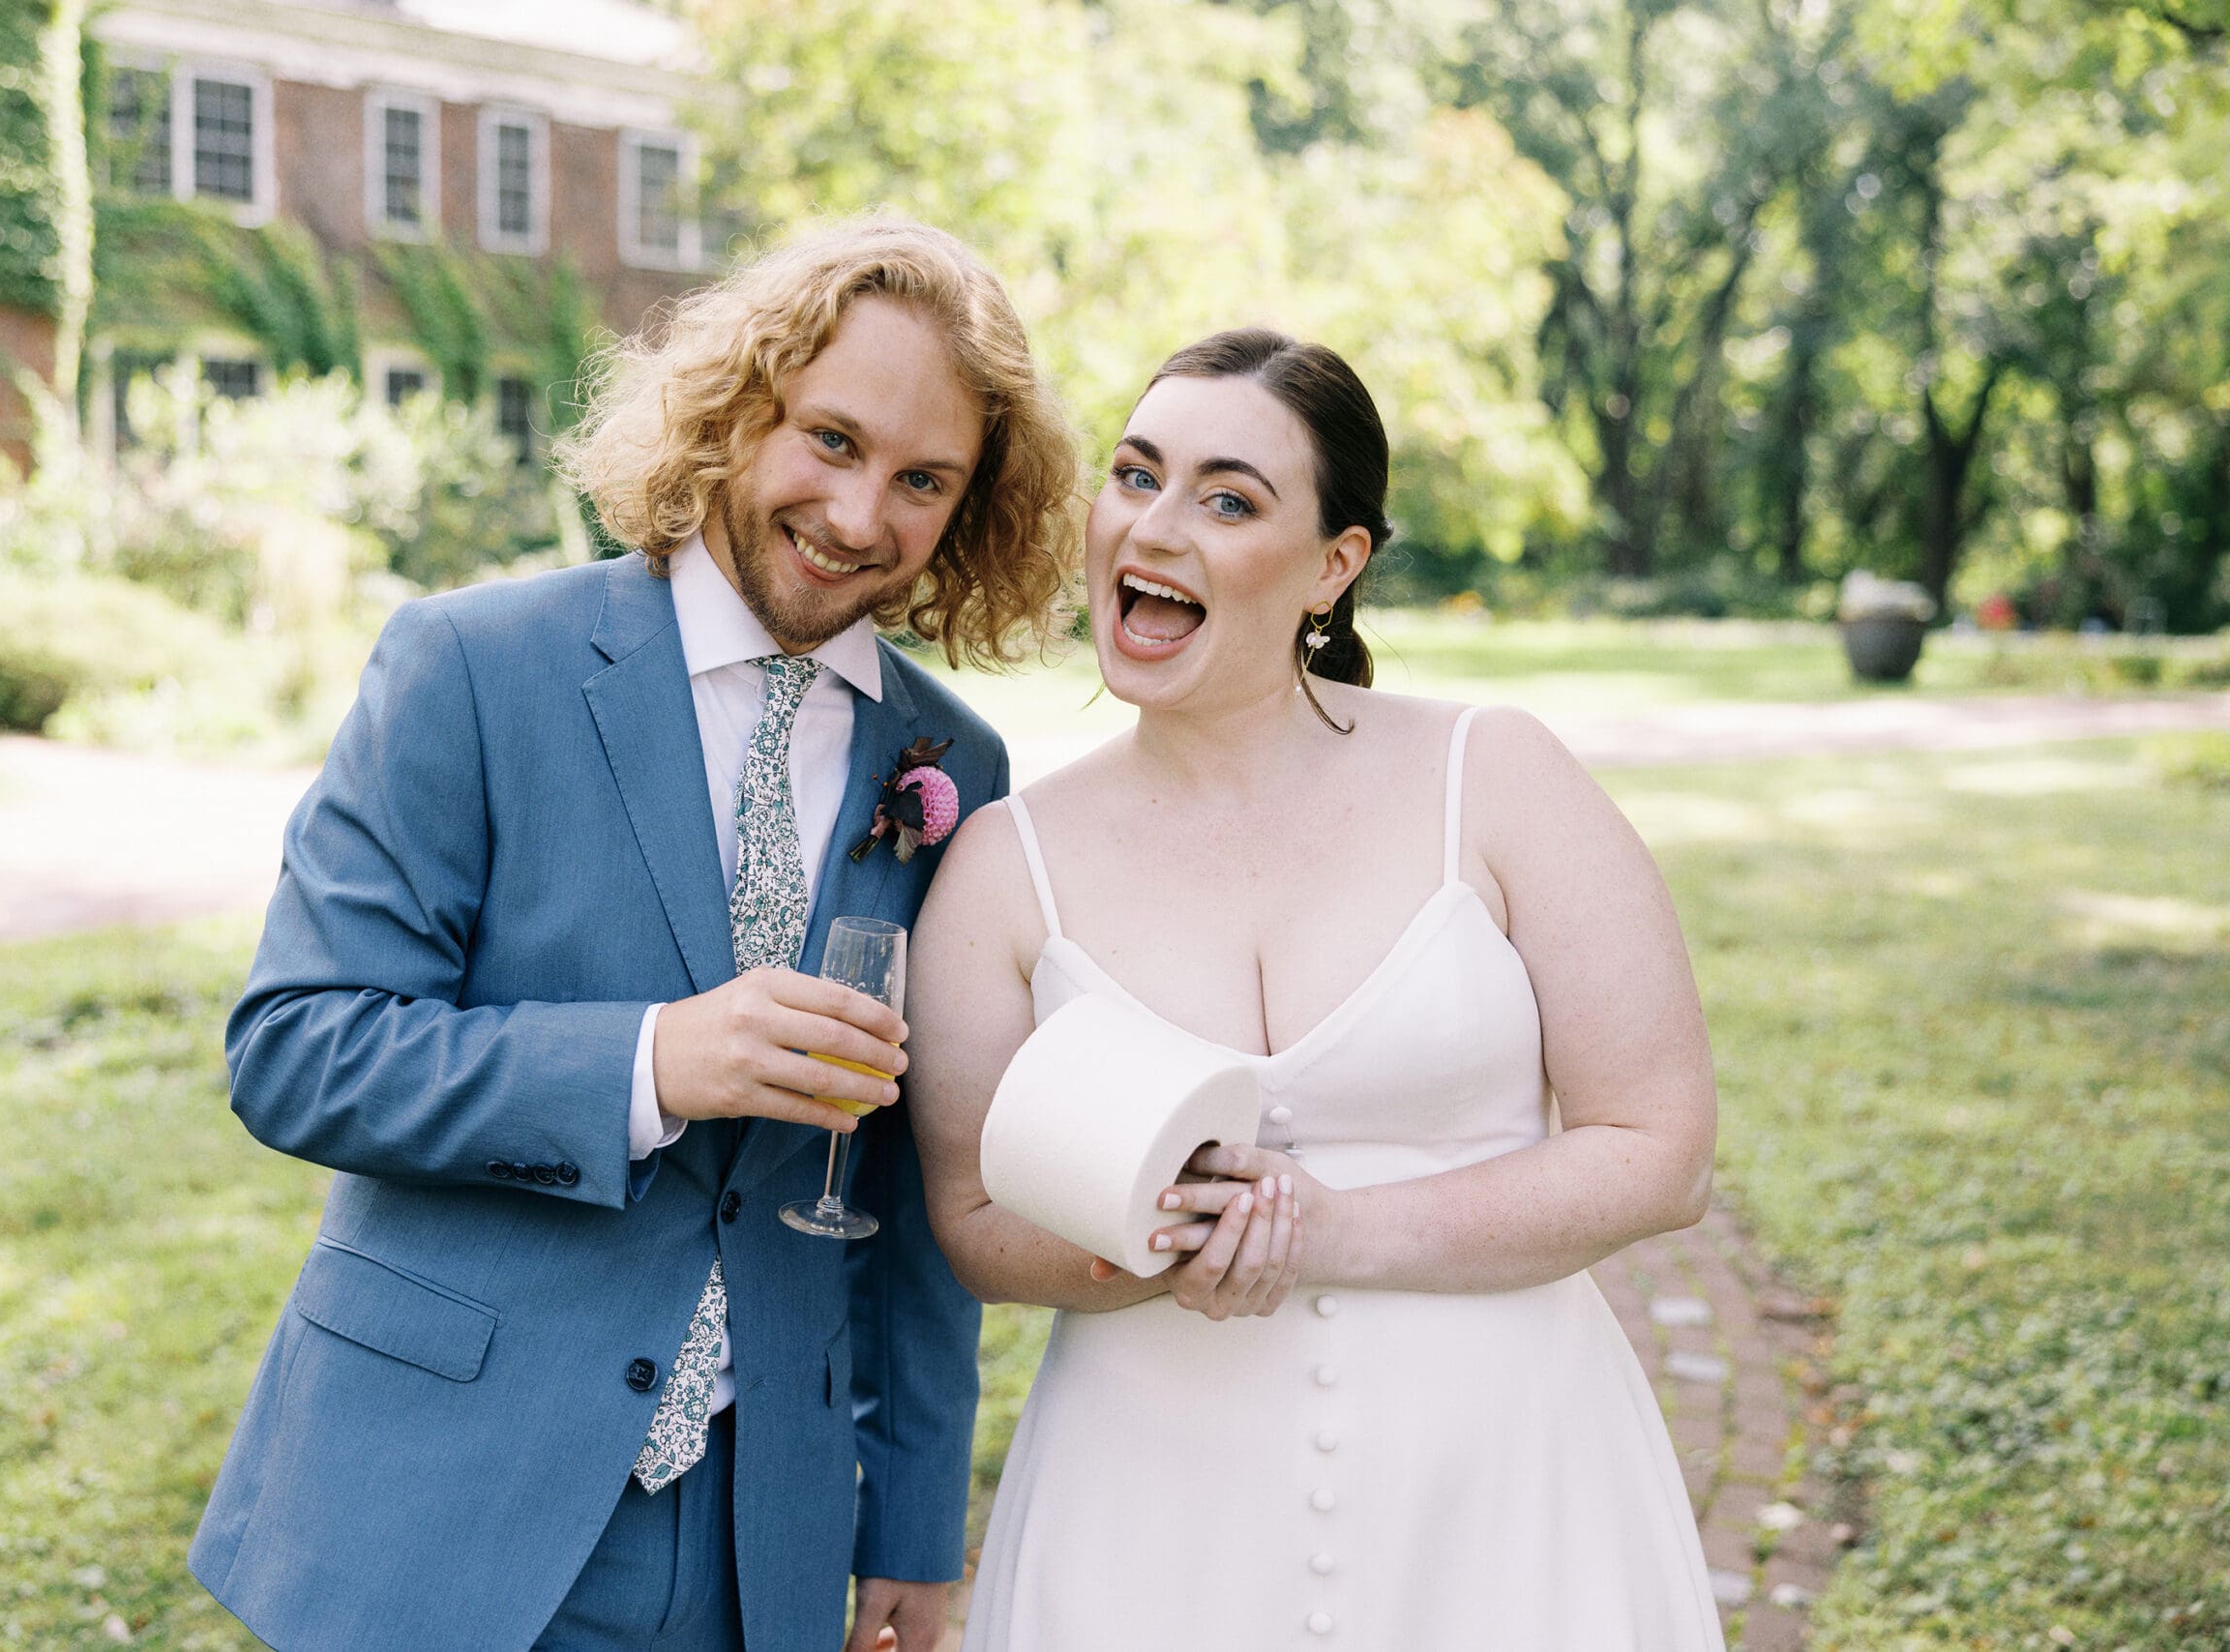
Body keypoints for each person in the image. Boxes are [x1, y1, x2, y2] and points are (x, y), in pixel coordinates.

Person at [188, 220, 1080, 1652]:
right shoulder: (472, 667)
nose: (861, 516)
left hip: (760, 1540)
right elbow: (297, 1051)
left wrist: (912, 1523)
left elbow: (916, 1189)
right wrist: (654, 1062)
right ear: (737, 411)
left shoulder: (953, 765)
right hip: (446, 1499)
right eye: (832, 440)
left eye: (924, 480)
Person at [907, 329, 1726, 1648]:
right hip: (1150, 1516)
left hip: (1505, 1491)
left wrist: (1329, 1234)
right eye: (1136, 476)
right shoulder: (1007, 863)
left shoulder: (1496, 778)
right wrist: (1162, 1248)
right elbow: (971, 1218)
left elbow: (1659, 1149)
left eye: (1229, 500)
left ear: (1334, 566)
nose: (1155, 527)